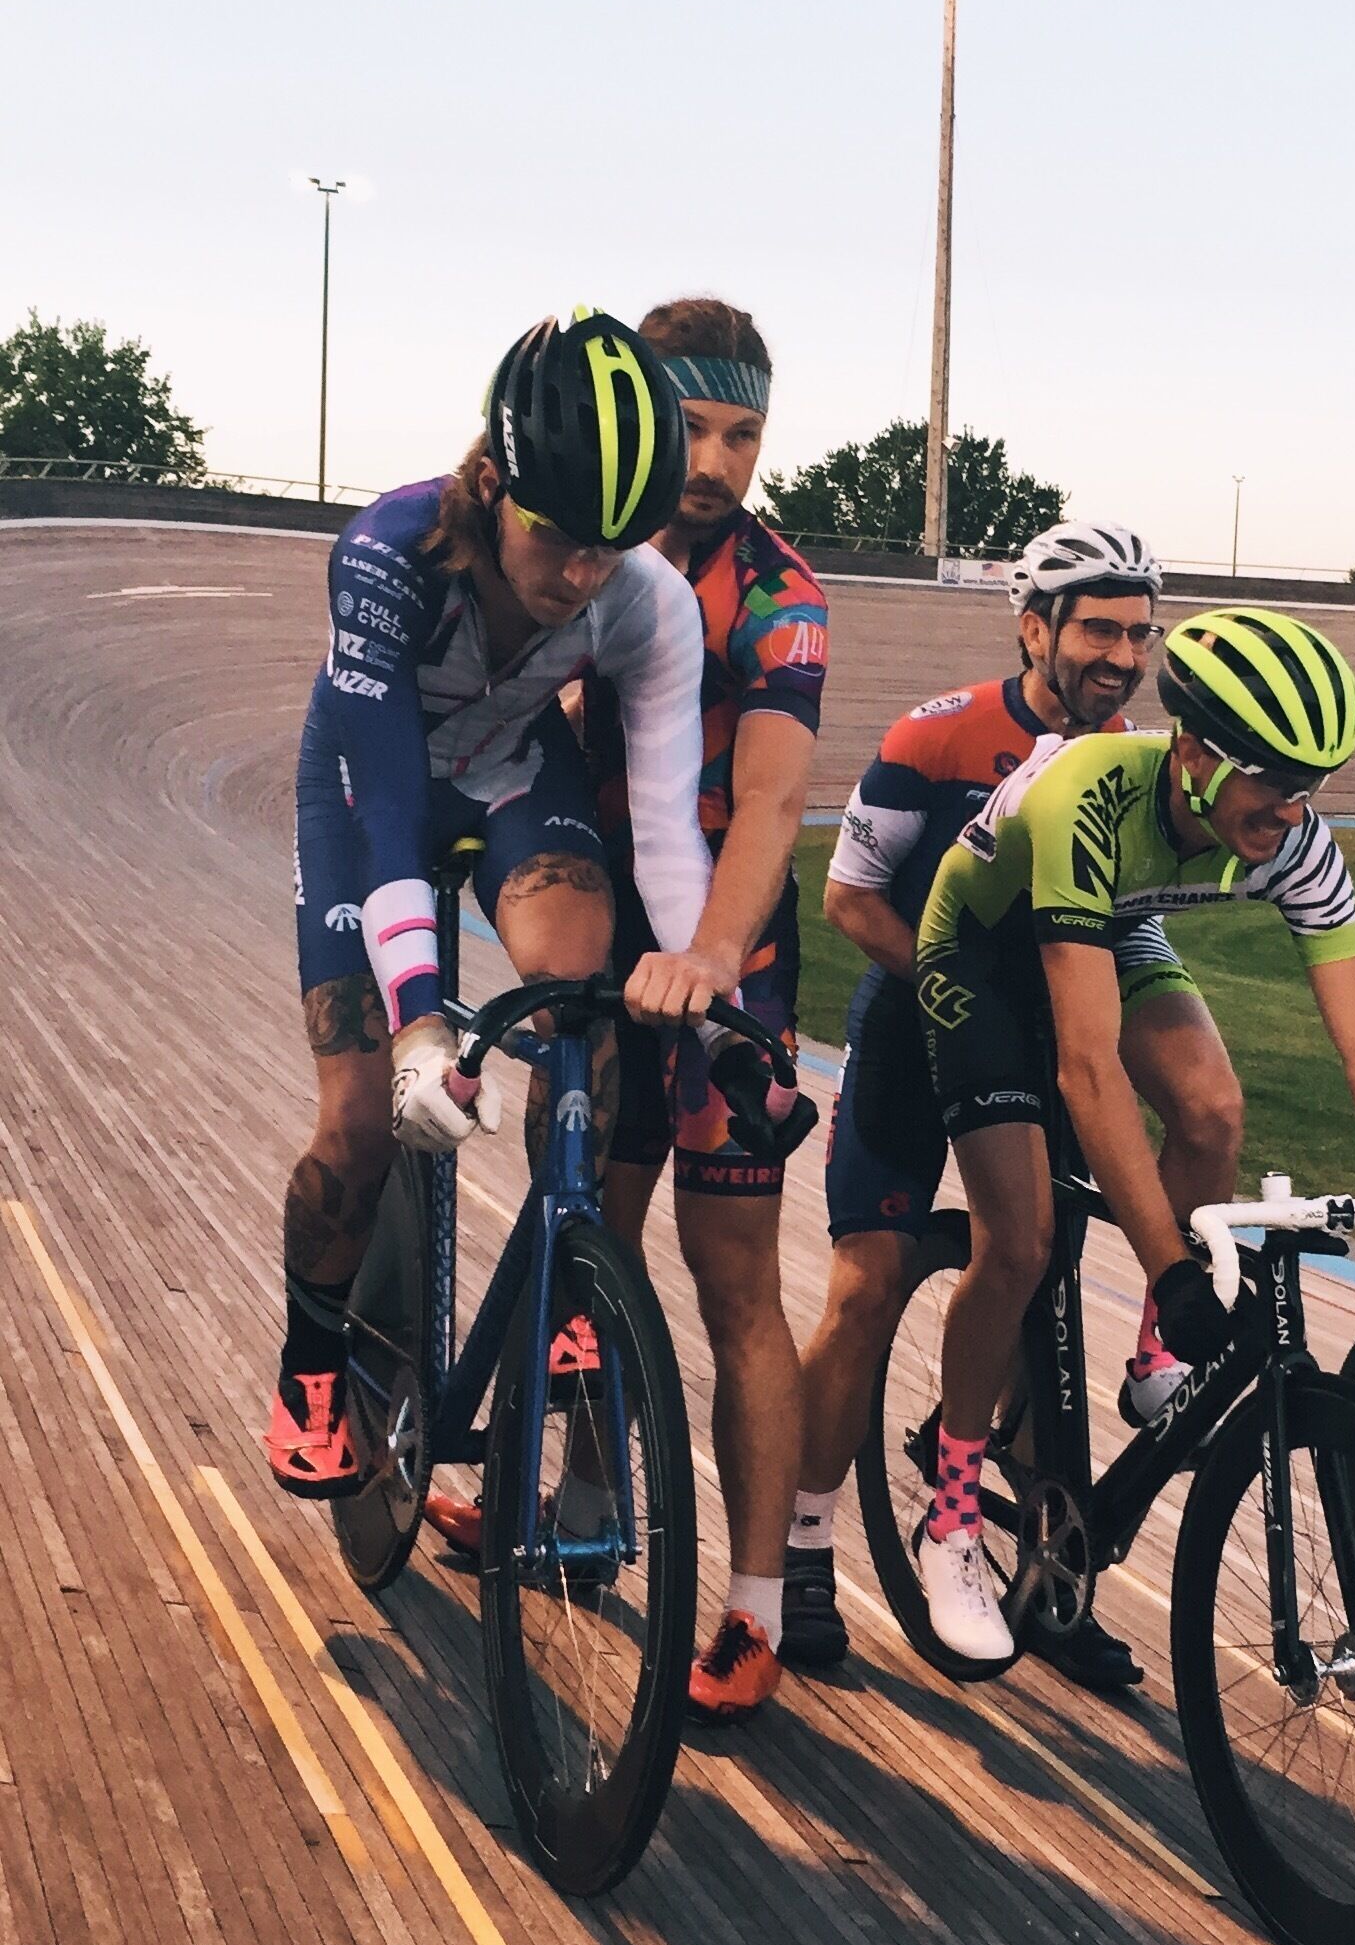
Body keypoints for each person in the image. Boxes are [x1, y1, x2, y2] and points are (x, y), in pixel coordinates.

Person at [906, 608, 1355, 1663]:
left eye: (1309, 785)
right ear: (1189, 752)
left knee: (1212, 1110)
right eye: (1269, 780)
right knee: (1017, 1240)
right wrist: (1171, 1261)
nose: (1288, 810)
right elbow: (1086, 1068)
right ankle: (951, 1511)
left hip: (1110, 918)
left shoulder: (1296, 837)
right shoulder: (1084, 792)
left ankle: (1154, 1351)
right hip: (980, 948)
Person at [425, 298, 828, 1721]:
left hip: (726, 960)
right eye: (695, 427)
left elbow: (772, 798)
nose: (716, 461)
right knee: (572, 1225)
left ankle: (755, 1604)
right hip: (596, 930)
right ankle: (581, 1493)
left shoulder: (781, 594)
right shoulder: (581, 551)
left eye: (743, 433)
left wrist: (712, 957)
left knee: (734, 1286)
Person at [267, 309, 735, 1496]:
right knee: (363, 1117)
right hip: (367, 786)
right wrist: (420, 1013)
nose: (584, 576)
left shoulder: (645, 598)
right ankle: (312, 1363)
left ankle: (569, 1274)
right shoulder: (390, 550)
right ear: (491, 482)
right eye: (565, 539)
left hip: (515, 772)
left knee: (582, 1009)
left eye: (613, 548)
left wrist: (704, 995)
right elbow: (381, 810)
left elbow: (671, 832)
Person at [788, 524, 1244, 1688]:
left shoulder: (1145, 760)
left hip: (1055, 1011)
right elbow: (848, 899)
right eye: (1099, 627)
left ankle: (1050, 1567)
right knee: (869, 1278)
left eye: (1140, 633)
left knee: (1036, 1268)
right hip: (921, 1009)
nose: (1122, 653)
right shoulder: (934, 734)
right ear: (1033, 626)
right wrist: (964, 1000)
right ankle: (800, 1541)